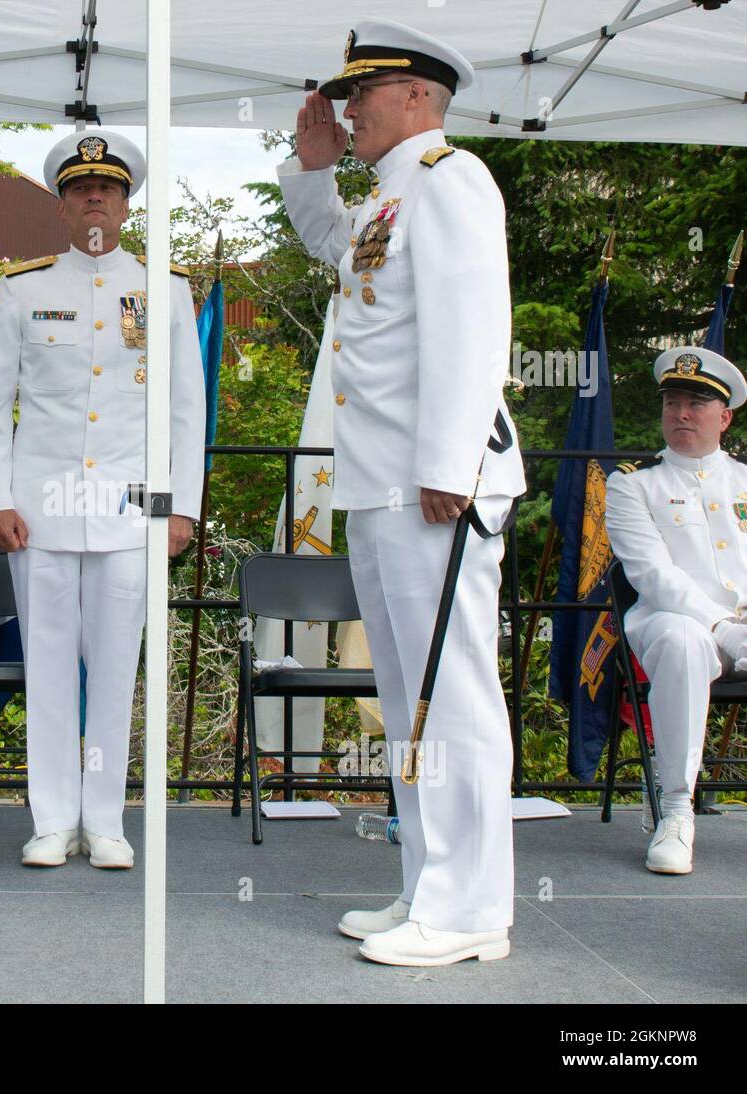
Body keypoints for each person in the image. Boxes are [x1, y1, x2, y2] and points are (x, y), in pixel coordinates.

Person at [277, 19, 525, 966]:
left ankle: (469, 913)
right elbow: (340, 252)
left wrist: (447, 468)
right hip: (381, 483)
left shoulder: (452, 179)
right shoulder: (389, 198)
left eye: (362, 94)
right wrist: (311, 171)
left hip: (433, 485)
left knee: (450, 697)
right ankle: (428, 885)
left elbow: (474, 327)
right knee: (408, 697)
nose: (349, 109)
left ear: (418, 94)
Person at [0, 129, 205, 870]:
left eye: (107, 189)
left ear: (128, 206)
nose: (93, 198)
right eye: (79, 189)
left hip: (129, 514)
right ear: (63, 207)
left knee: (114, 668)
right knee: (44, 667)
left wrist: (180, 510)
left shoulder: (166, 289)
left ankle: (104, 819)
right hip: (37, 514)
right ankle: (51, 819)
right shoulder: (23, 287)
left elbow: (185, 413)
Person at [605, 345, 747, 875]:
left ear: (724, 417)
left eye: (696, 404)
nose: (681, 414)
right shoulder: (632, 483)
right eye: (672, 404)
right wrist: (721, 626)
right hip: (674, 624)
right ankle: (676, 811)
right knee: (682, 640)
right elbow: (653, 577)